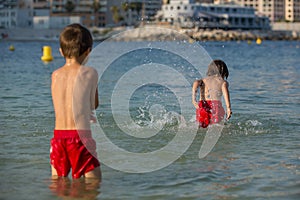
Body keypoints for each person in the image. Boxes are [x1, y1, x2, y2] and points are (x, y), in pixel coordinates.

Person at [50, 23, 101, 179]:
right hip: (80, 137)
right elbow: (94, 104)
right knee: (93, 183)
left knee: (59, 183)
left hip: (58, 138)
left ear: (60, 51)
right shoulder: (90, 73)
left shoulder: (55, 75)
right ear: (88, 52)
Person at [192, 59, 232, 128]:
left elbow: (196, 83)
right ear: (224, 71)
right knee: (217, 127)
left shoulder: (203, 80)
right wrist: (228, 108)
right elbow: (226, 94)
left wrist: (193, 99)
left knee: (200, 126)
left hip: (202, 106)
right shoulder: (222, 82)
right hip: (216, 107)